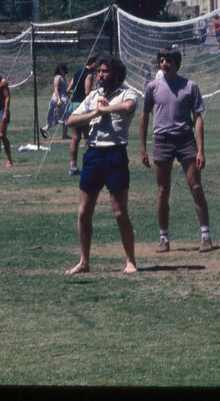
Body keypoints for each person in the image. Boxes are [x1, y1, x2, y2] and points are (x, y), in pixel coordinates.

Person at [65, 56, 139, 275]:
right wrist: (95, 112)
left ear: (116, 74)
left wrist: (106, 110)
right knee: (84, 211)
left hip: (115, 154)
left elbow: (129, 107)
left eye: (105, 71)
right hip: (93, 155)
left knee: (119, 212)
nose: (100, 75)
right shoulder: (93, 97)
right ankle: (84, 261)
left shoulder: (127, 93)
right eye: (99, 71)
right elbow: (70, 121)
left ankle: (130, 261)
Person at [139, 47, 212, 253]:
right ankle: (164, 238)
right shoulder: (152, 87)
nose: (164, 64)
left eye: (168, 60)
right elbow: (144, 117)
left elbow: (198, 118)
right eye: (162, 60)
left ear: (177, 64)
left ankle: (206, 236)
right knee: (163, 190)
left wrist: (200, 150)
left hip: (186, 140)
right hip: (162, 141)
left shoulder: (190, 86)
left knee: (195, 187)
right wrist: (143, 149)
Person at [67, 55, 98, 175]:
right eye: (97, 63)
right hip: (82, 106)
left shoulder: (77, 73)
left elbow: (69, 89)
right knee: (87, 136)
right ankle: (89, 165)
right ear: (92, 63)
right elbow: (87, 92)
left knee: (75, 137)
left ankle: (73, 166)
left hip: (73, 105)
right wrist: (96, 91)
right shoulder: (89, 74)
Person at [41, 62, 70, 140]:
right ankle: (45, 129)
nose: (62, 70)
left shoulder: (63, 77)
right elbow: (56, 88)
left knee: (64, 117)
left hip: (64, 99)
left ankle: (64, 134)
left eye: (63, 69)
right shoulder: (58, 77)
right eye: (61, 69)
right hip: (59, 100)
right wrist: (59, 99)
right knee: (57, 116)